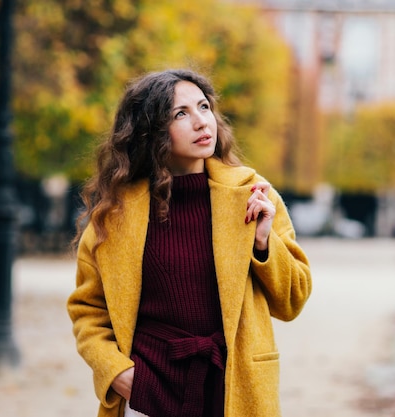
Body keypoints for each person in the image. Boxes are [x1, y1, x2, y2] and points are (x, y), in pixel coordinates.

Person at [67, 69, 312, 417]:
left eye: (203, 107)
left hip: (233, 389)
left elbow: (293, 301)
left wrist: (263, 242)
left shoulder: (252, 194)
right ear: (149, 131)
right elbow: (87, 310)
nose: (201, 122)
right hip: (149, 389)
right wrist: (119, 374)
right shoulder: (115, 214)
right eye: (181, 114)